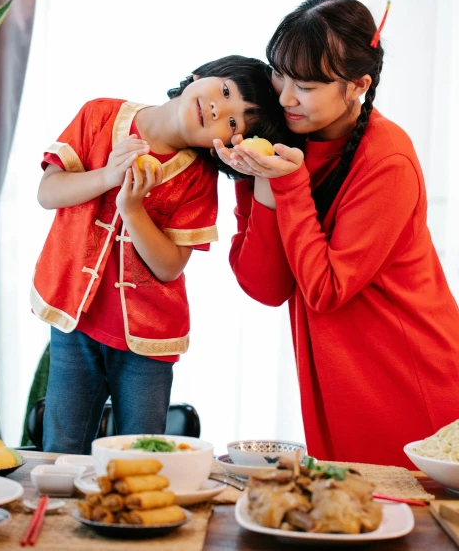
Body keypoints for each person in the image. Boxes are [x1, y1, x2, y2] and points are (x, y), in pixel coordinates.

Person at [214, 0, 459, 467]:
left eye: (307, 84)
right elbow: (267, 286)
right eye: (280, 74)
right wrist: (261, 182)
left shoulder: (387, 159)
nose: (285, 96)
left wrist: (288, 184)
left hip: (407, 379)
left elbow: (326, 288)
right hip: (341, 380)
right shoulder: (280, 141)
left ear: (357, 85)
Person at [34, 55, 285, 454]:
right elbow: (48, 193)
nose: (220, 109)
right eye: (224, 91)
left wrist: (132, 209)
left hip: (149, 342)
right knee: (61, 452)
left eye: (234, 123)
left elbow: (169, 267)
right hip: (74, 320)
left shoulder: (198, 179)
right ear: (202, 73)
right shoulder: (100, 115)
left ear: (224, 148)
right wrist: (109, 177)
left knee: (140, 458)